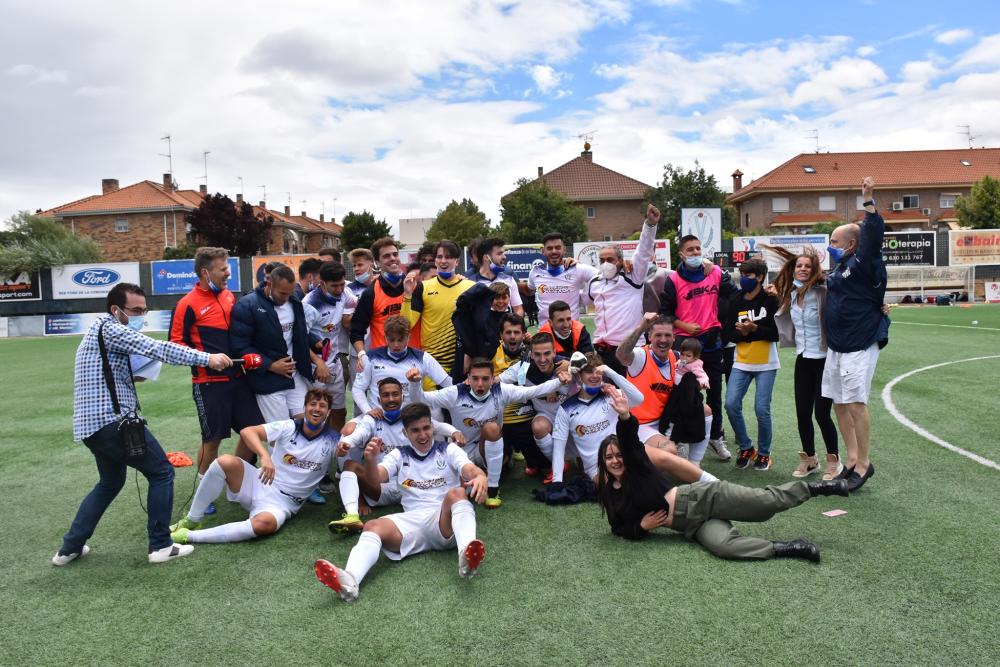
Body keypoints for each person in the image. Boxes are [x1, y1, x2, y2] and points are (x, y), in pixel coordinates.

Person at [54, 283, 232, 566]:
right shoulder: (112, 329)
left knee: (110, 483)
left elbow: (117, 372)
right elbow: (158, 348)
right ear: (116, 310)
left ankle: (69, 548)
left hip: (93, 427)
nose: (141, 315)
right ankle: (160, 545)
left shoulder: (98, 331)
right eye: (135, 310)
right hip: (113, 422)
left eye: (144, 310)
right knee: (162, 472)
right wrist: (207, 358)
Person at [597, 386, 849, 561]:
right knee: (724, 547)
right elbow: (618, 527)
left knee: (765, 504)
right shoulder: (610, 494)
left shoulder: (638, 468)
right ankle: (790, 547)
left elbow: (630, 442)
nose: (616, 461)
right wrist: (641, 527)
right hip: (690, 524)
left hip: (703, 497)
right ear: (603, 462)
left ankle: (819, 488)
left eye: (618, 455)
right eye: (609, 457)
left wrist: (625, 414)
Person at [314, 403, 489, 602]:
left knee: (457, 493)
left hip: (444, 521)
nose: (422, 435)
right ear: (405, 433)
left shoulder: (448, 449)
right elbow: (376, 478)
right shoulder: (399, 454)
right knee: (372, 526)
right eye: (415, 430)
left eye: (426, 428)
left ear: (432, 427)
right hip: (412, 522)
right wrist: (370, 460)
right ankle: (350, 581)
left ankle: (466, 555)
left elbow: (469, 469)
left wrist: (480, 476)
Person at [169, 247, 264, 516]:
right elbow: (175, 346)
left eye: (228, 268)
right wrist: (207, 358)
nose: (228, 274)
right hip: (208, 382)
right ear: (205, 272)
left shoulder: (230, 297)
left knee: (253, 430)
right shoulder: (187, 304)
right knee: (212, 439)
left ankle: (238, 480)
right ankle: (204, 490)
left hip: (239, 378)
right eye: (223, 269)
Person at [412, 358, 570, 508]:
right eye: (475, 378)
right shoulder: (455, 393)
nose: (480, 384)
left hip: (488, 448)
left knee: (492, 428)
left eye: (485, 379)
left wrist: (559, 382)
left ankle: (493, 489)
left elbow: (532, 391)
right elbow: (421, 400)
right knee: (458, 494)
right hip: (462, 451)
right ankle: (491, 470)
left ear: (493, 378)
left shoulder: (501, 390)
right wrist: (415, 383)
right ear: (468, 378)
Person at [823, 176, 890, 491]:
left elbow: (874, 233)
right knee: (838, 401)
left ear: (851, 244)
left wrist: (868, 200)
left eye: (834, 242)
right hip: (837, 347)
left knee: (855, 402)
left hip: (859, 344)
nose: (829, 247)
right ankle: (850, 459)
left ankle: (864, 464)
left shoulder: (864, 260)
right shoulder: (838, 270)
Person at [329, 377, 463, 532]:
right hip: (380, 486)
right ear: (379, 399)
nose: (391, 399)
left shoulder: (411, 419)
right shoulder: (372, 419)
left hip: (413, 488)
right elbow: (358, 435)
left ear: (403, 397)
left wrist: (454, 432)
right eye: (386, 395)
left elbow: (438, 427)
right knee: (349, 465)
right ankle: (352, 517)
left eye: (395, 394)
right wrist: (347, 444)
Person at [658, 235, 737, 461]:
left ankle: (715, 437)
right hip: (685, 345)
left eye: (697, 248)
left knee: (714, 393)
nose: (694, 253)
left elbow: (735, 294)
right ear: (681, 254)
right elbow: (665, 313)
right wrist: (682, 325)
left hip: (712, 344)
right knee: (685, 394)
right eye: (689, 250)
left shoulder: (713, 272)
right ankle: (680, 440)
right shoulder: (673, 280)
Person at [771, 247, 841, 480]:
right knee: (802, 413)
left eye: (807, 266)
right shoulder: (791, 294)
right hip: (803, 359)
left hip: (824, 359)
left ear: (814, 271)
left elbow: (846, 300)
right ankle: (810, 460)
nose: (802, 269)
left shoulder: (823, 292)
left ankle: (834, 460)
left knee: (821, 413)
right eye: (799, 266)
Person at [231, 264, 319, 423]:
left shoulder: (294, 302)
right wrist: (270, 365)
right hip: (268, 380)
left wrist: (316, 344)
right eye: (282, 293)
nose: (286, 298)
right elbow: (240, 347)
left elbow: (299, 334)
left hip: (295, 375)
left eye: (290, 293)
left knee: (308, 424)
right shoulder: (247, 305)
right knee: (280, 433)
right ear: (269, 284)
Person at [550, 352, 643, 485]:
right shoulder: (566, 409)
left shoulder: (611, 394)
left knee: (664, 456)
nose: (594, 376)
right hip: (597, 468)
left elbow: (639, 399)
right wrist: (556, 482)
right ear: (579, 376)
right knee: (625, 482)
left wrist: (610, 372)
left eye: (598, 371)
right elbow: (559, 449)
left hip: (625, 455)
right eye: (589, 372)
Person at [586, 204, 659, 376]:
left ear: (620, 260)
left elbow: (643, 251)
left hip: (630, 349)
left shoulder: (633, 277)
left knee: (634, 396)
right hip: (603, 351)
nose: (605, 263)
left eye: (610, 259)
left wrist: (649, 225)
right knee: (608, 396)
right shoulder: (594, 282)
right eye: (601, 259)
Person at [725, 258, 780, 472]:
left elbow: (775, 334)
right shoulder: (736, 299)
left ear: (759, 277)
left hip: (766, 363)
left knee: (761, 409)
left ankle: (764, 453)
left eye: (748, 275)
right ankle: (746, 446)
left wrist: (754, 329)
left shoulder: (770, 299)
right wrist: (744, 334)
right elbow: (728, 332)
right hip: (741, 362)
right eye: (742, 274)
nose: (743, 279)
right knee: (731, 404)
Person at [498, 333, 573, 483]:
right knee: (538, 426)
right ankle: (557, 464)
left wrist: (571, 364)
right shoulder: (523, 369)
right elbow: (496, 381)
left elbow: (594, 367)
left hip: (572, 416)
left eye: (547, 353)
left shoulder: (566, 365)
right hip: (546, 416)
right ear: (531, 355)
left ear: (554, 352)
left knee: (585, 467)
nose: (543, 359)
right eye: (537, 354)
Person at [401, 240, 474, 383]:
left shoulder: (470, 287)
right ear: (435, 260)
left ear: (457, 261)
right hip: (431, 364)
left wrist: (470, 355)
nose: (443, 261)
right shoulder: (423, 288)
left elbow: (476, 327)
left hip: (461, 362)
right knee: (432, 405)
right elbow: (406, 325)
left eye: (448, 257)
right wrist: (408, 294)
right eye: (440, 257)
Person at [351, 315, 452, 414]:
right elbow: (358, 389)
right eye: (391, 340)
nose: (396, 345)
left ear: (408, 337)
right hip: (378, 417)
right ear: (385, 337)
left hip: (411, 419)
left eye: (400, 340)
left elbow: (448, 384)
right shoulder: (370, 358)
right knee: (348, 430)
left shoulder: (423, 358)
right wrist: (368, 411)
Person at [303, 261, 356, 432]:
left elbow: (355, 303)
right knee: (316, 411)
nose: (340, 290)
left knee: (339, 410)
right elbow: (299, 340)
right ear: (322, 283)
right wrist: (319, 363)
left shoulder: (344, 292)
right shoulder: (310, 304)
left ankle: (337, 449)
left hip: (335, 362)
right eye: (335, 286)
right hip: (315, 366)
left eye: (342, 284)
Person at [350, 237, 417, 366]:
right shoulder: (370, 293)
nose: (392, 258)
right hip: (382, 362)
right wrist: (362, 355)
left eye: (395, 254)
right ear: (377, 262)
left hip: (412, 361)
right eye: (386, 256)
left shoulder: (415, 286)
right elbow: (356, 331)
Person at [491, 314, 536, 468]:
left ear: (523, 335)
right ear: (501, 335)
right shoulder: (491, 351)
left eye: (516, 332)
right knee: (501, 466)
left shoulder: (533, 352)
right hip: (500, 421)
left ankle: (522, 450)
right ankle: (508, 450)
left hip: (526, 419)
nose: (512, 336)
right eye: (508, 332)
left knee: (540, 465)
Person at [661, 338, 713, 464]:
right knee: (675, 412)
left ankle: (693, 458)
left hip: (686, 395)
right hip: (677, 392)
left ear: (696, 357)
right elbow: (677, 368)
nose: (684, 357)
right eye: (683, 354)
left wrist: (703, 382)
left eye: (688, 355)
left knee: (680, 413)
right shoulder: (681, 361)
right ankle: (675, 438)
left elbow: (702, 375)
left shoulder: (695, 365)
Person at [527, 232, 597, 326]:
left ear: (564, 250)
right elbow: (529, 289)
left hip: (571, 331)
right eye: (549, 248)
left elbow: (603, 277)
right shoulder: (535, 272)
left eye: (558, 247)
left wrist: (585, 297)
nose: (554, 251)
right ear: (543, 251)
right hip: (546, 334)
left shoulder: (577, 268)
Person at [452, 282, 513, 381]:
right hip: (481, 367)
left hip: (504, 370)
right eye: (497, 298)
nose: (501, 301)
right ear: (489, 299)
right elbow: (469, 337)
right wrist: (468, 353)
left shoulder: (512, 319)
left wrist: (525, 338)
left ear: (509, 298)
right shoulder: (481, 318)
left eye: (504, 297)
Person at [470, 236, 524, 316]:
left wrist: (513, 325)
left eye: (503, 253)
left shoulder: (509, 279)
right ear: (486, 257)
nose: (504, 257)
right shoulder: (470, 283)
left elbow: (518, 309)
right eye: (499, 254)